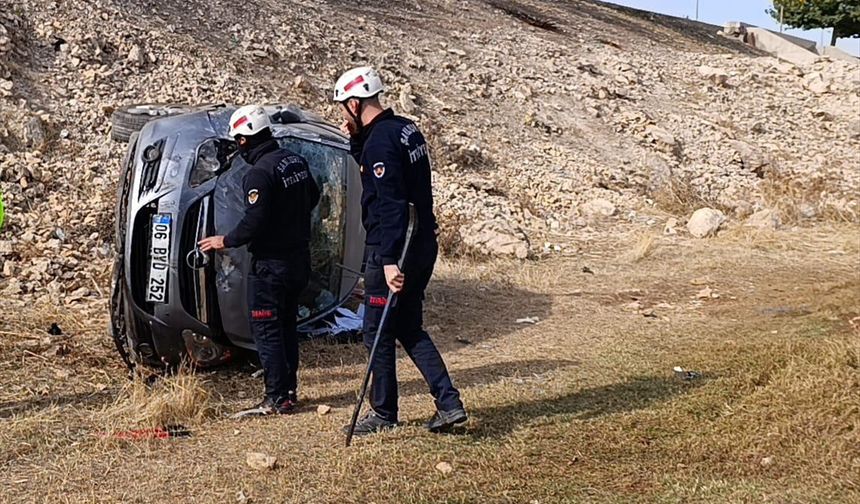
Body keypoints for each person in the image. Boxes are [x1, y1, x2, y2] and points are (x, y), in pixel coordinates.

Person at [333, 66, 467, 435]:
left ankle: (383, 413)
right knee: (408, 326)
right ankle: (449, 403)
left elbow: (390, 203)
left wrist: (389, 261)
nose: (343, 115)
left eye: (344, 108)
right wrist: (356, 140)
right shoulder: (404, 129)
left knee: (376, 331)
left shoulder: (379, 143)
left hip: (394, 250)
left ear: (355, 103)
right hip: (423, 242)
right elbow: (384, 173)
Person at [198, 105, 320, 415]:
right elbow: (314, 197)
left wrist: (224, 240)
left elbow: (255, 222)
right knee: (287, 326)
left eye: (238, 140)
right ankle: (288, 390)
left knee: (266, 329)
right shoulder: (295, 161)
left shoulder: (259, 173)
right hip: (298, 261)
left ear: (243, 140)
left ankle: (276, 397)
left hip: (271, 267)